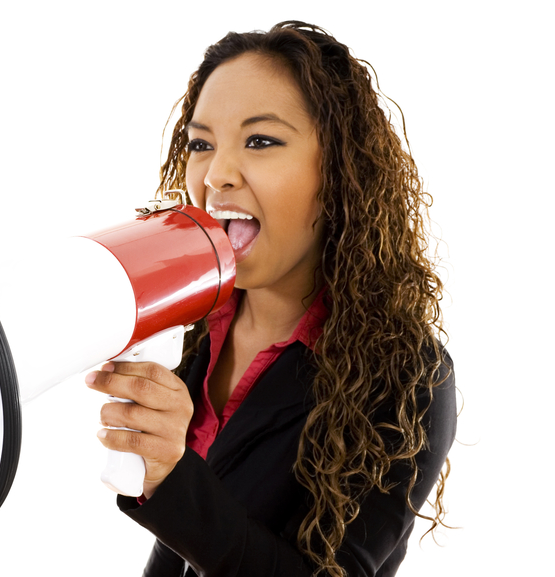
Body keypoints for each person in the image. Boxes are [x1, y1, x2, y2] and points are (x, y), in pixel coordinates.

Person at [85, 21, 456, 577]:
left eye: (260, 140)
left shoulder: (404, 376)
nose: (216, 176)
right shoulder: (195, 327)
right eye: (201, 144)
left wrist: (171, 477)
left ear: (339, 172)